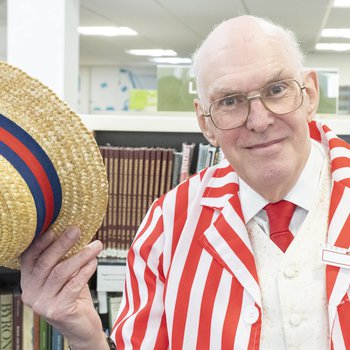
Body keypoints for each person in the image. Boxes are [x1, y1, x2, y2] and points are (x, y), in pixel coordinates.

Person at [20, 15, 350, 349]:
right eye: (230, 101)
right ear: (205, 123)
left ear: (309, 94)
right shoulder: (167, 226)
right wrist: (86, 336)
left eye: (276, 89)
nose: (260, 121)